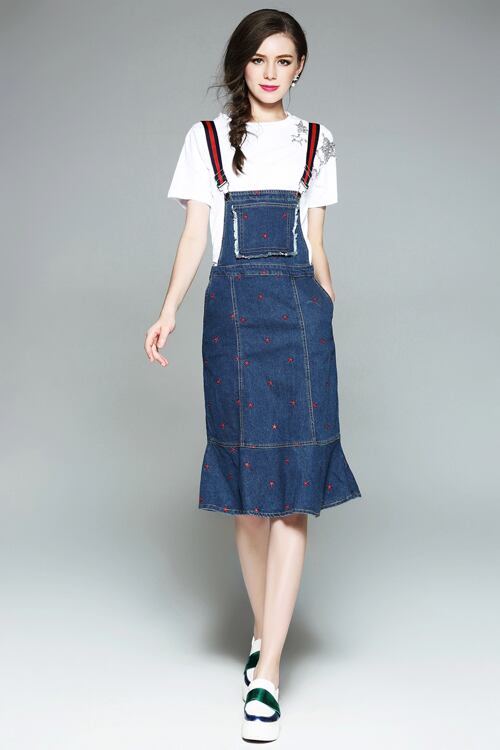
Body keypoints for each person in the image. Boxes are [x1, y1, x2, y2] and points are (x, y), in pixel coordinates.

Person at [144, 9, 362, 742]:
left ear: (300, 68)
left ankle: (267, 671)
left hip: (301, 323)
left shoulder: (317, 141)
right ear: (241, 65)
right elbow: (195, 234)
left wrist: (325, 309)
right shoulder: (205, 139)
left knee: (295, 497)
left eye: (284, 60)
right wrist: (168, 311)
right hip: (233, 322)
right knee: (246, 501)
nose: (271, 72)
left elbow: (318, 241)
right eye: (258, 59)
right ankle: (264, 629)